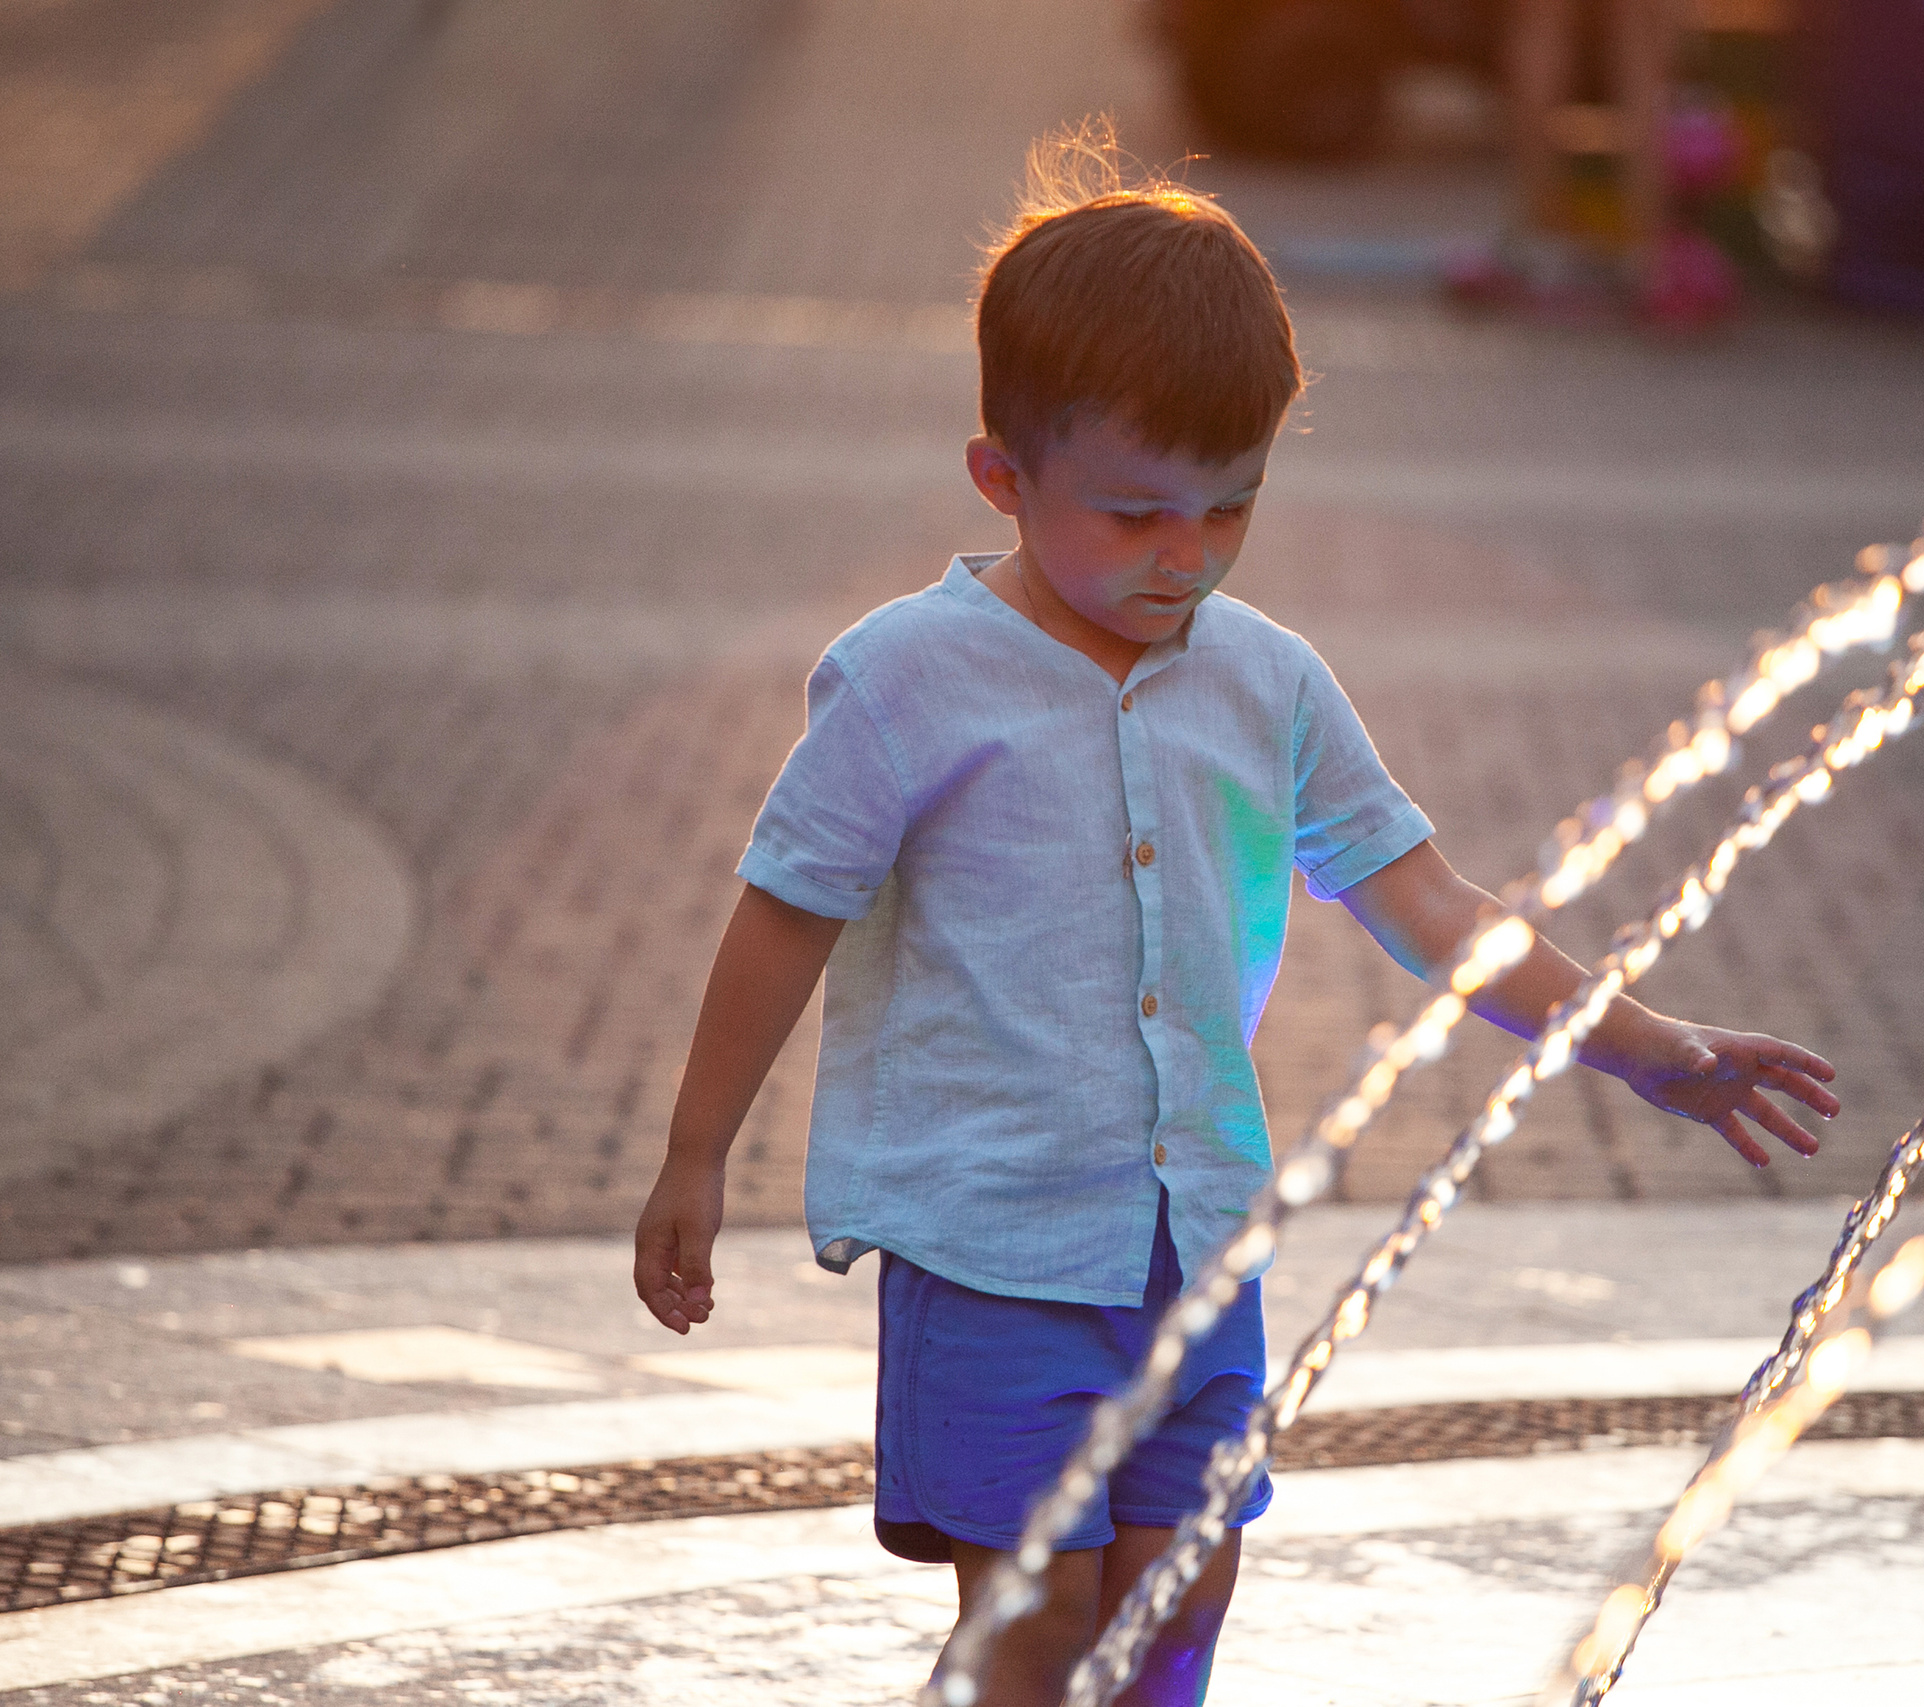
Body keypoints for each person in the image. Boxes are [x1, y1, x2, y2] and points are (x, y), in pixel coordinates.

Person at [632, 130, 1841, 1707]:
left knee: (1181, 1599)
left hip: (1194, 1246)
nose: (1186, 557)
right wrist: (696, 1153)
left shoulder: (1267, 680)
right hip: (991, 1246)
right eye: (1136, 513)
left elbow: (1431, 904)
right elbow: (788, 908)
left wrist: (1644, 1045)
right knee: (1034, 1624)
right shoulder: (907, 677)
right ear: (1003, 477)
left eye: (1231, 508)